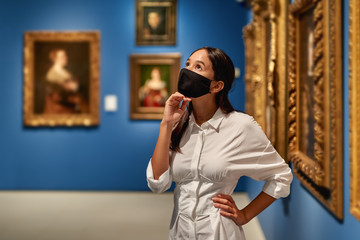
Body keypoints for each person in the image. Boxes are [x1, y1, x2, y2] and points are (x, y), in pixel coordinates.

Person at [146, 46, 293, 239]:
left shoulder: (241, 126)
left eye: (198, 67)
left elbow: (281, 176)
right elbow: (157, 184)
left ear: (216, 86)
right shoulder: (177, 125)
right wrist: (166, 124)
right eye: (188, 64)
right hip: (180, 233)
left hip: (220, 233)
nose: (187, 71)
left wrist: (246, 214)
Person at [43, 49, 86, 114]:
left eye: (65, 56)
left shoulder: (66, 72)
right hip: (59, 109)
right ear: (55, 59)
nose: (65, 58)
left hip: (70, 106)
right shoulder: (51, 74)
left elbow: (77, 86)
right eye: (62, 56)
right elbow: (56, 95)